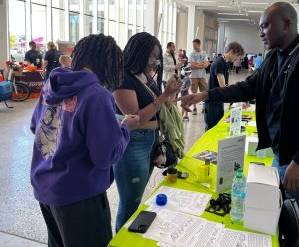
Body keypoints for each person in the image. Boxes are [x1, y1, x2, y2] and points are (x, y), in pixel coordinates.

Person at [177, 2, 299, 247]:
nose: (261, 32)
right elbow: (248, 87)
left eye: (266, 26)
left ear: (287, 24)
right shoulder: (275, 57)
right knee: (285, 223)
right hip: (284, 154)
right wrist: (205, 95)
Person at [30, 34, 140, 247]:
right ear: (109, 64)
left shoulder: (51, 85)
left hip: (46, 188)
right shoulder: (96, 95)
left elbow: (37, 127)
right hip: (79, 196)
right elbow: (105, 156)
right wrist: (125, 128)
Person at [112, 32, 182, 232]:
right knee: (130, 204)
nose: (154, 60)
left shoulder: (144, 76)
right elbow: (135, 118)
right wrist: (164, 96)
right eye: (150, 55)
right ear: (136, 52)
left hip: (150, 142)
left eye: (157, 56)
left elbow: (162, 105)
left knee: (137, 197)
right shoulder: (122, 79)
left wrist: (173, 92)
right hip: (133, 143)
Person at [204, 42, 244, 130]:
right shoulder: (219, 63)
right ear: (231, 52)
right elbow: (223, 86)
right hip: (212, 101)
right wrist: (236, 98)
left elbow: (225, 84)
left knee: (218, 126)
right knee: (211, 128)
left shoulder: (226, 63)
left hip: (219, 100)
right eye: (237, 56)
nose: (237, 58)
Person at [188, 39, 209, 115]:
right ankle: (194, 107)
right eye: (192, 45)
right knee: (194, 92)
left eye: (194, 45)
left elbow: (206, 64)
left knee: (204, 92)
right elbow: (192, 65)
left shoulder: (204, 53)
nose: (193, 46)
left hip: (202, 76)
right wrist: (201, 64)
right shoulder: (192, 54)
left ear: (199, 44)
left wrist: (197, 64)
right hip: (194, 76)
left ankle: (204, 106)